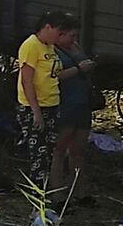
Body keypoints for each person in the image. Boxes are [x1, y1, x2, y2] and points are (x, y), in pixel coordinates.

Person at [16, 11, 85, 192]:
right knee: (39, 155)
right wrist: (36, 111)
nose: (59, 36)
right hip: (36, 107)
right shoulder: (31, 46)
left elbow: (52, 75)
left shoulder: (49, 47)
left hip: (52, 105)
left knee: (49, 152)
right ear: (47, 27)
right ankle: (38, 197)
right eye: (58, 32)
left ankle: (50, 194)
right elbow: (27, 80)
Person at [54, 27, 98, 204]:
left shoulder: (75, 47)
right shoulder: (52, 51)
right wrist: (79, 69)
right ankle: (57, 194)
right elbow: (53, 76)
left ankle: (79, 192)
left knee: (78, 150)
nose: (74, 39)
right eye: (71, 35)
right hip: (66, 103)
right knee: (59, 149)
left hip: (83, 103)